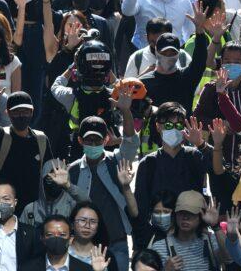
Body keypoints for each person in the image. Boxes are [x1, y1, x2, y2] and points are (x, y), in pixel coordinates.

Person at [68, 112, 139, 271]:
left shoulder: (117, 161)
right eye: (88, 140)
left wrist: (126, 111)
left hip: (117, 243)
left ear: (106, 140)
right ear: (80, 141)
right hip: (83, 246)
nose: (93, 144)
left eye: (97, 140)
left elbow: (131, 142)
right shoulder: (71, 171)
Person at [0, 77, 53, 212]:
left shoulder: (41, 140)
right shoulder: (1, 136)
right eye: (16, 112)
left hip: (33, 211)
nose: (21, 115)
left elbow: (49, 174)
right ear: (7, 113)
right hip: (3, 208)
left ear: (32, 112)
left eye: (26, 111)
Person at [134, 103, 212, 228]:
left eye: (179, 125)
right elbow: (141, 208)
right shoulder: (148, 163)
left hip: (194, 234)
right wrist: (143, 243)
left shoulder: (195, 156)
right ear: (158, 126)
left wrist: (201, 144)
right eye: (168, 125)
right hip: (160, 236)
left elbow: (218, 170)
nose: (174, 129)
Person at [139, 4, 207, 112]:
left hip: (184, 128)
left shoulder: (187, 78)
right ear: (156, 52)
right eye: (164, 52)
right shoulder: (144, 82)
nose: (168, 56)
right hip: (154, 129)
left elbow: (200, 60)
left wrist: (199, 31)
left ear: (178, 54)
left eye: (172, 53)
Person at [149, 191, 229, 270]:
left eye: (190, 213)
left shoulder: (211, 241)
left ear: (201, 216)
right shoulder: (160, 247)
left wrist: (216, 226)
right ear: (175, 215)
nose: (185, 217)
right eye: (181, 212)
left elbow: (228, 258)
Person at [23, 214, 113, 271]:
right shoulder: (27, 268)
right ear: (42, 239)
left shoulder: (85, 269)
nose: (56, 238)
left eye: (62, 235)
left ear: (70, 239)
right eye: (50, 235)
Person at [124, 17, 191, 78]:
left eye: (161, 42)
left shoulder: (183, 57)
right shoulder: (137, 58)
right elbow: (126, 88)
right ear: (146, 38)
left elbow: (194, 86)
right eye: (154, 43)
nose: (157, 48)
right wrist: (144, 75)